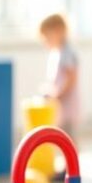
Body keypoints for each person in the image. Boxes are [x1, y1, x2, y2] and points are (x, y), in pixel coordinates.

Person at [39, 13, 80, 144]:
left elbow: (71, 78)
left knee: (68, 137)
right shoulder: (57, 53)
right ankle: (67, 161)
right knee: (62, 134)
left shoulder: (67, 52)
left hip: (67, 103)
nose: (46, 41)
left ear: (59, 31)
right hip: (60, 104)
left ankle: (72, 162)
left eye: (48, 37)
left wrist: (58, 93)